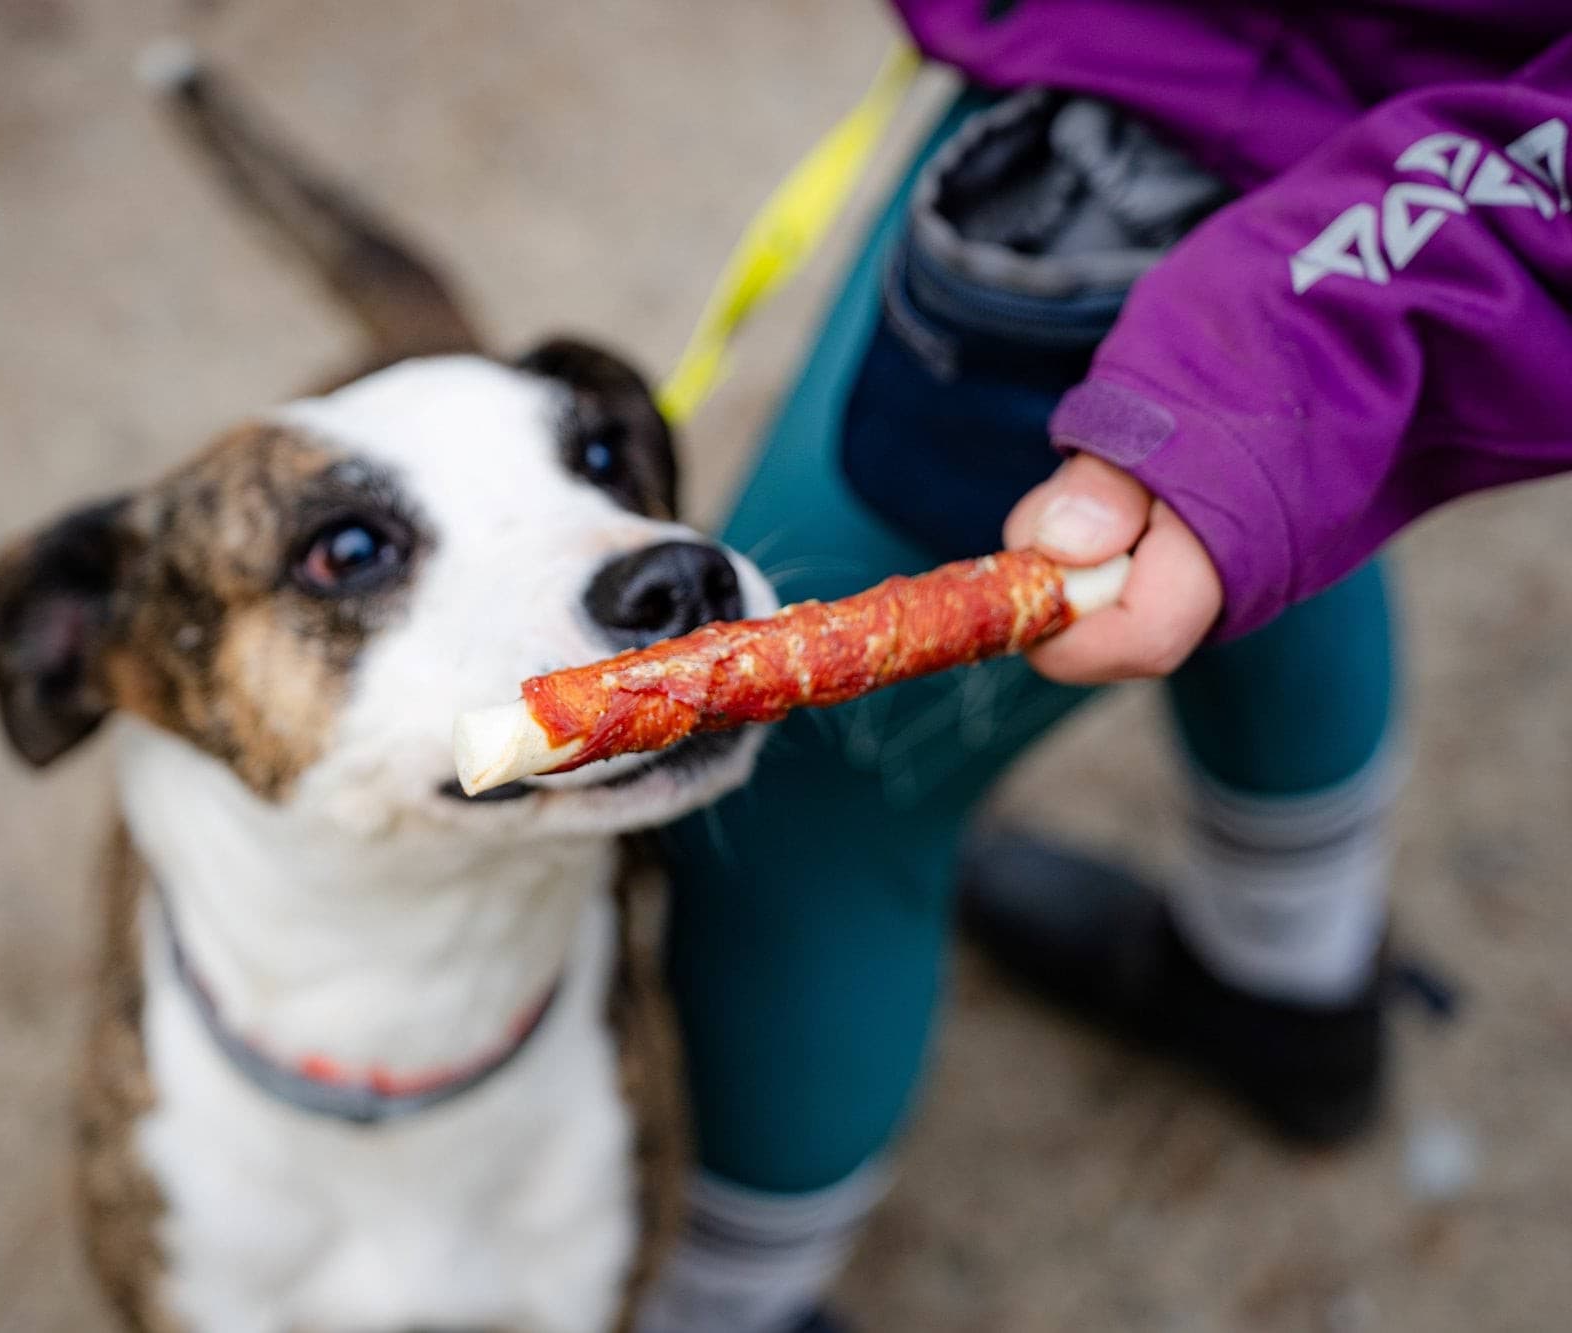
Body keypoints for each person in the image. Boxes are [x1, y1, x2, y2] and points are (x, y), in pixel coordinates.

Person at [637, 5, 1572, 1331]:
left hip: (1197, 96)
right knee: (1263, 494)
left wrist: (1283, 349)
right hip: (1357, 82)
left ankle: (723, 1306)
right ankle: (1284, 987)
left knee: (799, 786)